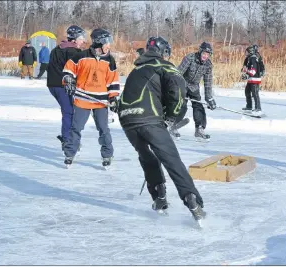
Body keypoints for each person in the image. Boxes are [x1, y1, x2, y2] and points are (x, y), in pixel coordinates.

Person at [118, 36, 206, 222]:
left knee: (147, 157)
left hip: (127, 121)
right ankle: (192, 200)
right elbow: (177, 90)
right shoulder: (164, 66)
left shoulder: (136, 70)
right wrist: (172, 118)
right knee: (171, 159)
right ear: (163, 52)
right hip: (149, 120)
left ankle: (159, 196)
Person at [62, 28, 120, 168]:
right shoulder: (81, 56)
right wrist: (68, 80)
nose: (109, 46)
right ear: (99, 42)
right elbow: (68, 70)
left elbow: (112, 81)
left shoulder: (110, 61)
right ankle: (70, 153)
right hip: (83, 100)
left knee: (103, 129)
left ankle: (107, 154)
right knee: (76, 128)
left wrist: (113, 98)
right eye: (107, 43)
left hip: (100, 102)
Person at [46, 25, 87, 150]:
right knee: (69, 111)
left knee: (69, 111)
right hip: (63, 86)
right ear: (74, 39)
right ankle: (67, 140)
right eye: (81, 38)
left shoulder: (56, 49)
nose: (83, 41)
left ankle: (69, 138)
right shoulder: (74, 52)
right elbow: (79, 70)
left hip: (53, 86)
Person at [173, 42, 216, 140]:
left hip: (194, 87)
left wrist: (209, 98)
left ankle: (199, 129)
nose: (205, 56)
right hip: (182, 84)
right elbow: (178, 72)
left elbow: (208, 83)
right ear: (200, 52)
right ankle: (173, 124)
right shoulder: (190, 58)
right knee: (182, 106)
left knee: (198, 106)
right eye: (204, 53)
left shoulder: (208, 65)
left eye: (208, 54)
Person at [241, 44, 265, 115]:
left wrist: (246, 72)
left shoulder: (253, 58)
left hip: (255, 79)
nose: (246, 53)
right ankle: (249, 106)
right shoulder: (249, 58)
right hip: (251, 79)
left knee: (255, 93)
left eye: (247, 52)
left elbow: (253, 71)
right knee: (247, 91)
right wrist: (245, 73)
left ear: (250, 52)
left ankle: (258, 108)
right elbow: (247, 68)